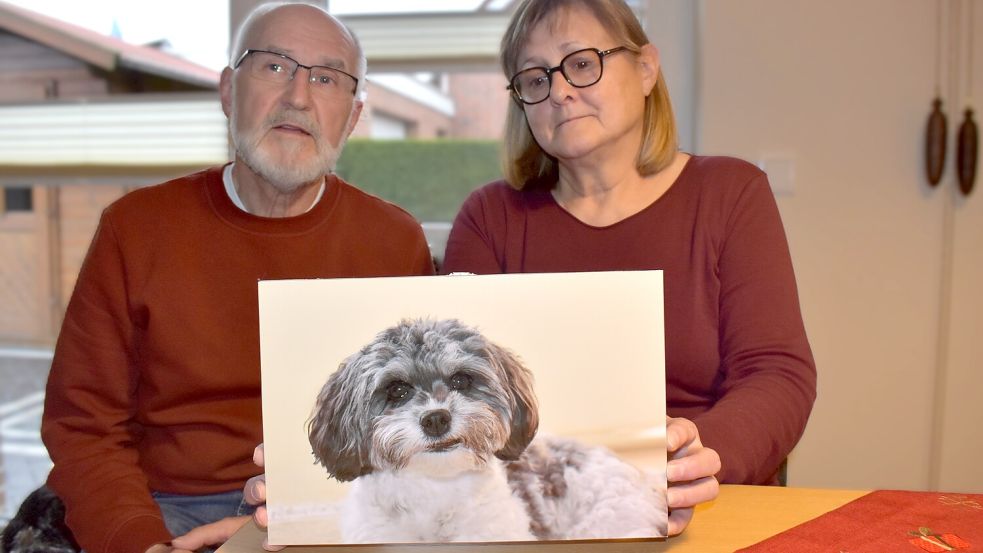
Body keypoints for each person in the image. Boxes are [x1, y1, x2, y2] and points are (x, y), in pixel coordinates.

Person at [38, 3, 435, 553]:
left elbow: (415, 427)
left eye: (326, 77)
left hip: (339, 503)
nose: (298, 96)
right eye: (274, 66)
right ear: (228, 91)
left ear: (352, 114)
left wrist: (300, 518)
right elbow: (83, 428)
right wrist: (141, 543)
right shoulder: (134, 229)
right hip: (165, 504)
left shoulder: (395, 240)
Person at [442, 0, 815, 521]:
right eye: (535, 78)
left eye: (581, 62)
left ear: (645, 69)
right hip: (536, 505)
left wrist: (694, 458)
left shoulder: (730, 192)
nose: (561, 91)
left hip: (705, 498)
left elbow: (776, 374)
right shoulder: (489, 218)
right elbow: (462, 391)